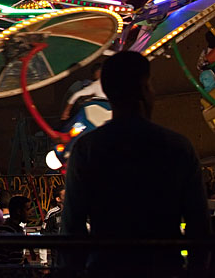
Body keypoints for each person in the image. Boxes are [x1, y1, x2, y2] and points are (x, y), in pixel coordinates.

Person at [63, 51, 210, 276]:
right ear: (144, 90)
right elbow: (198, 223)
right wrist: (195, 269)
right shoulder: (177, 147)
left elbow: (73, 225)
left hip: (105, 267)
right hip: (164, 267)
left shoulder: (87, 149)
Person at [0, 195, 30, 265]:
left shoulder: (13, 229)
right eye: (27, 209)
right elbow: (15, 264)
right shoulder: (11, 233)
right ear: (19, 211)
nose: (30, 213)